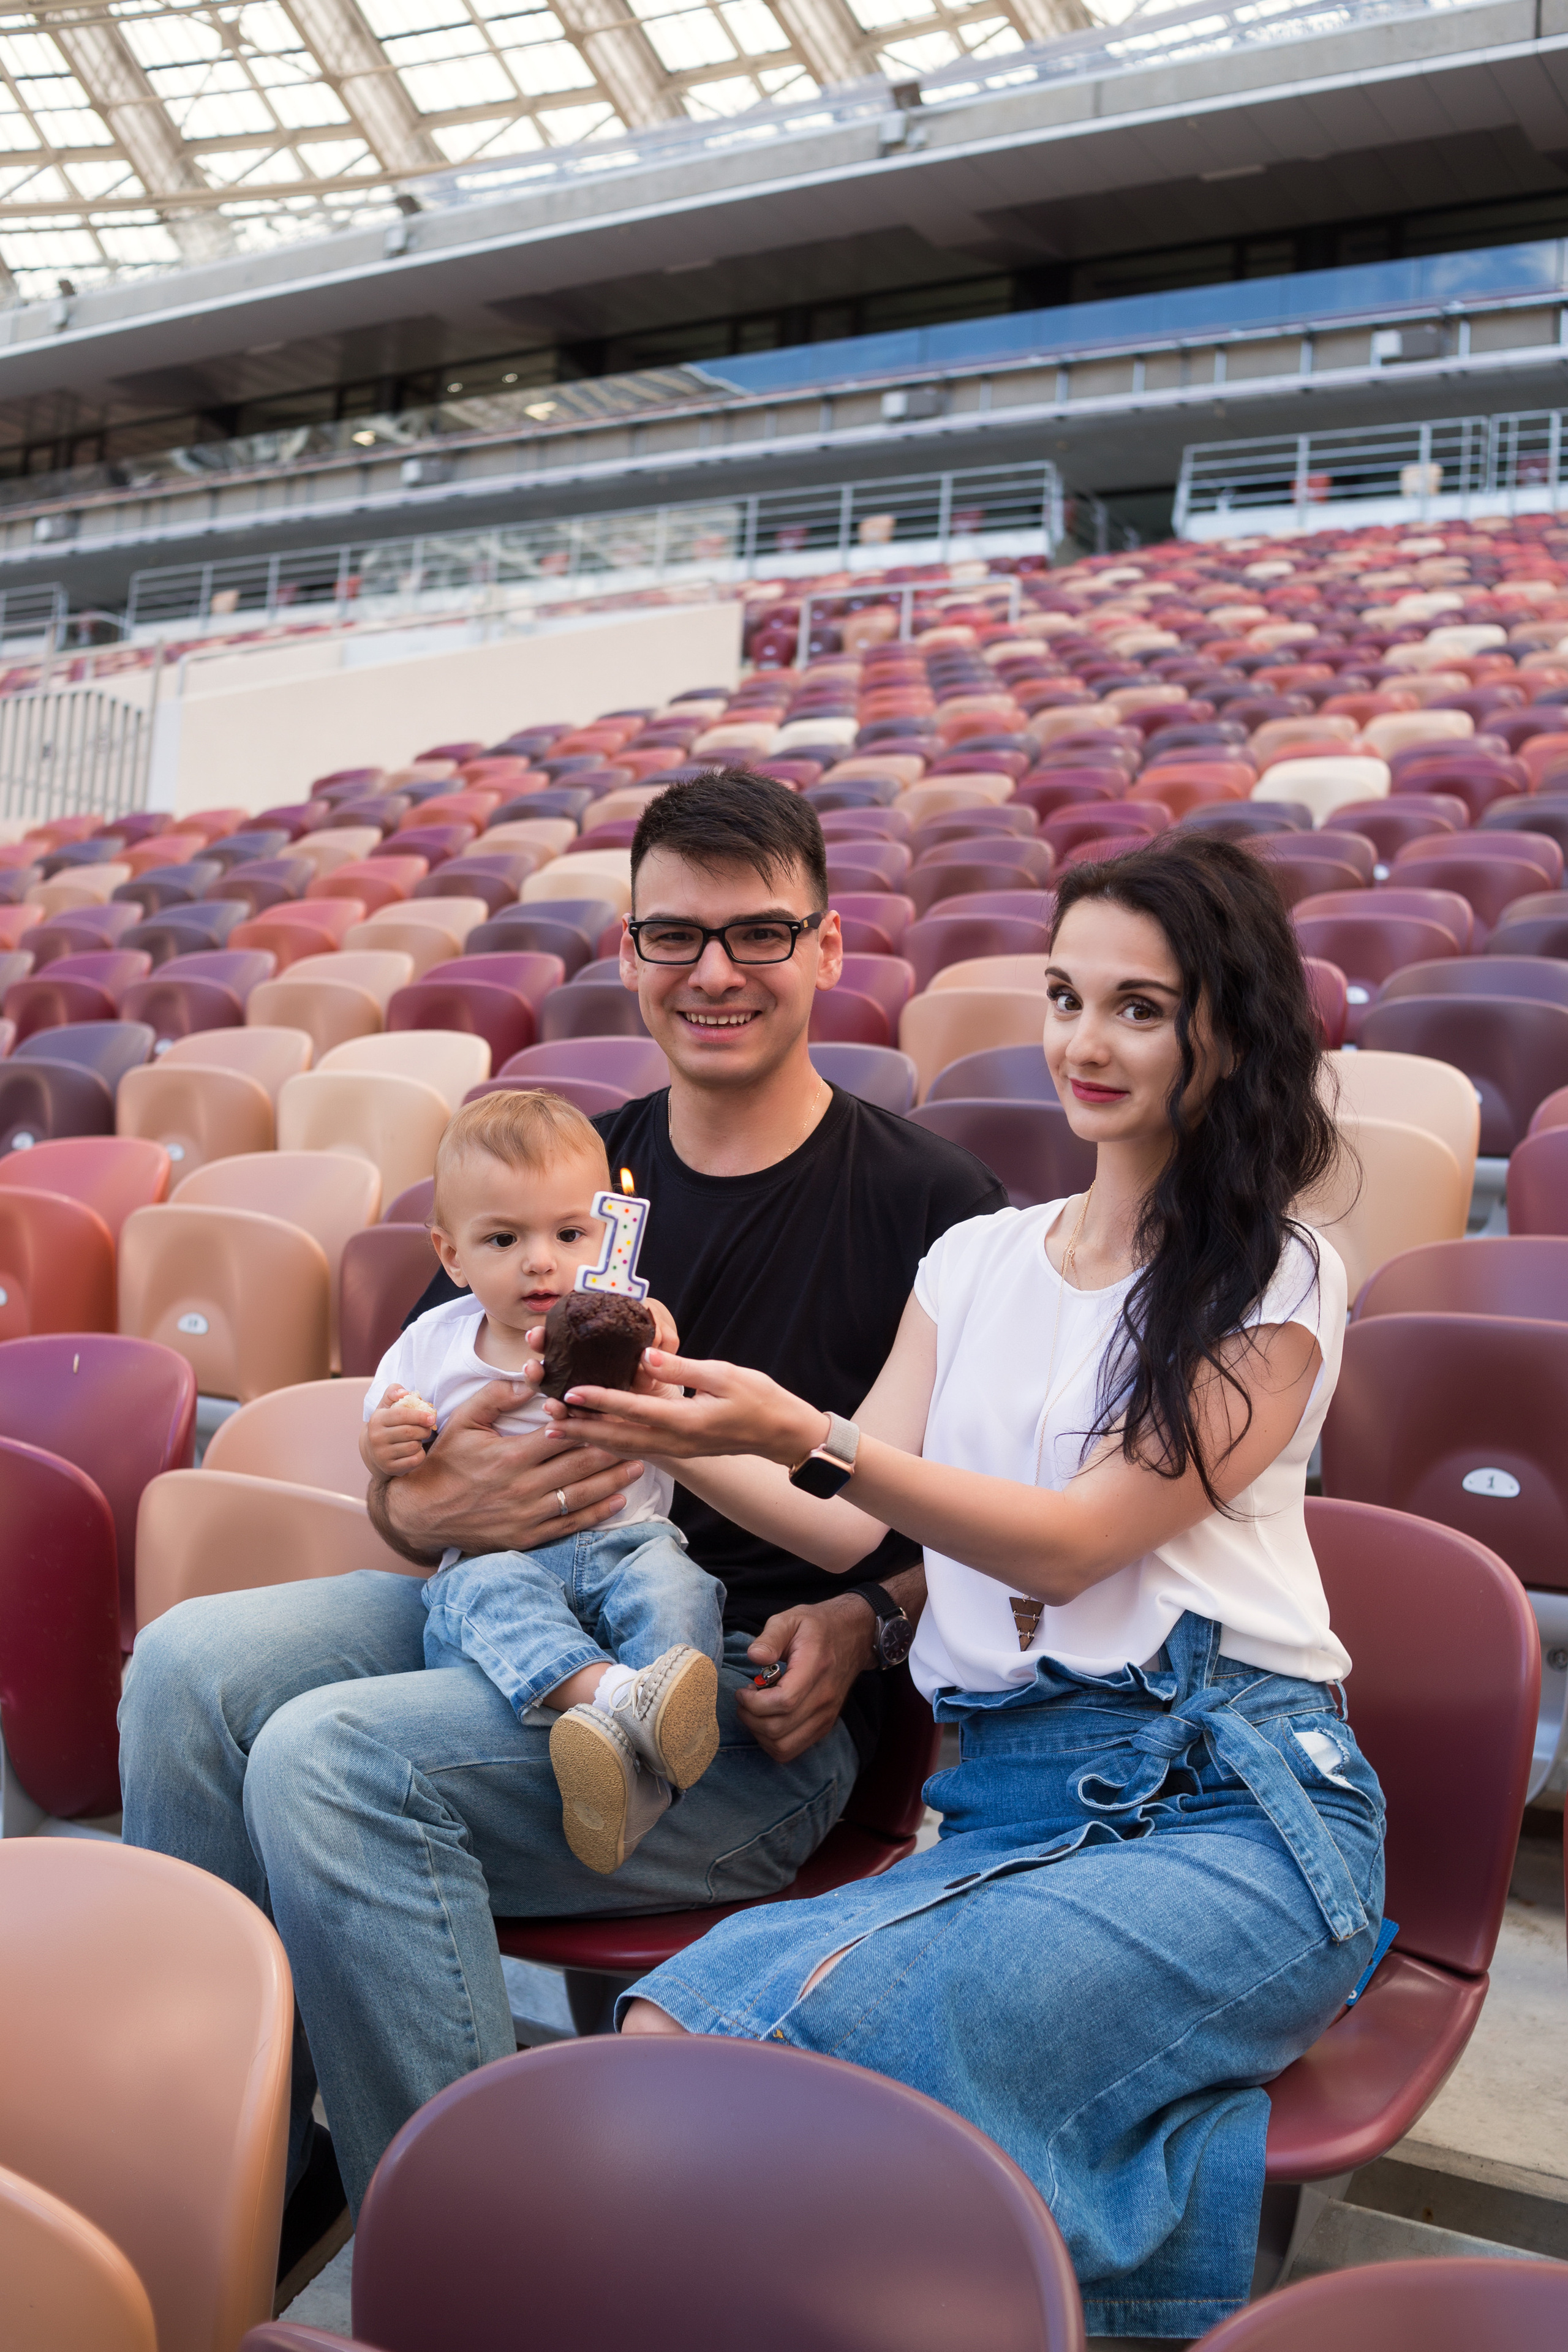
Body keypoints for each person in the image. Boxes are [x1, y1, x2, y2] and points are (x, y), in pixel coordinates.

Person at [118, 768, 1006, 2271]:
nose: (711, 973)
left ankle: (490, 2251)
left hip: (733, 1696)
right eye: (672, 937)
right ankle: (251, 2168)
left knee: (327, 1765)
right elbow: (411, 1470)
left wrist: (871, 1617)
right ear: (628, 951)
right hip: (515, 1600)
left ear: (829, 948)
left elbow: (987, 1521)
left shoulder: (934, 1202)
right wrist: (422, 1497)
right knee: (188, 1666)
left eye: (756, 935)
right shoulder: (560, 1169)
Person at [549, 830, 1387, 2340]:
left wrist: (799, 1425)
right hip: (1005, 1803)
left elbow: (1067, 1539)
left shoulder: (1280, 1274)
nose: (1085, 1039)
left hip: (1234, 1803)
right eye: (1066, 996)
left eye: (1141, 1006)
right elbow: (838, 1523)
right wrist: (668, 1425)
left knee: (793, 2046)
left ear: (1228, 1030)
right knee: (678, 2017)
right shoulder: (977, 1261)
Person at [364, 1087, 722, 1876]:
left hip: (632, 1541)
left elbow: (677, 1396)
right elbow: (388, 1433)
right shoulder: (435, 1345)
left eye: (569, 1233)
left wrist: (655, 1342)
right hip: (503, 1562)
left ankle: (663, 1735)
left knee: (680, 1586)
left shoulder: (628, 1322)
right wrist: (390, 1443)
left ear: (609, 1236)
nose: (540, 1260)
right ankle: (614, 1700)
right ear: (451, 1256)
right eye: (502, 1238)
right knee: (476, 1594)